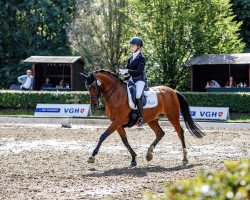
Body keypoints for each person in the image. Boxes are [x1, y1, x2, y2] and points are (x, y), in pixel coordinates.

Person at [119, 37, 146, 126]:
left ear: (138, 46)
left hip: (139, 80)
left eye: (133, 45)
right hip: (131, 79)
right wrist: (122, 74)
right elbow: (128, 71)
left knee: (137, 95)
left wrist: (127, 71)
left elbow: (139, 71)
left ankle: (141, 118)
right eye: (130, 45)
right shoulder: (130, 58)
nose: (131, 47)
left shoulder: (141, 58)